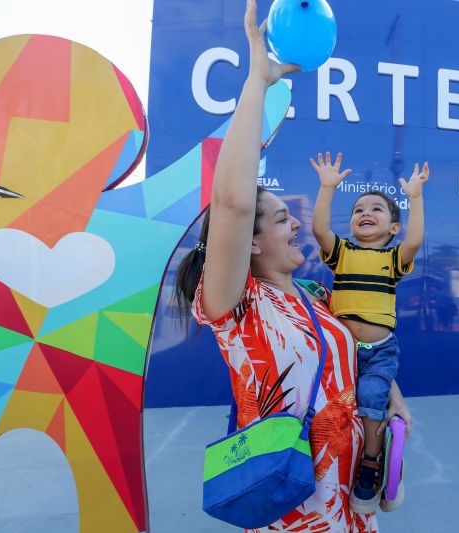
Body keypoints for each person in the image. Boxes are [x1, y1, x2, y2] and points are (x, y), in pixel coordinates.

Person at [174, 2, 410, 530]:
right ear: (251, 244)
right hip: (294, 505)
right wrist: (258, 81)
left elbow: (365, 355)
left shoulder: (316, 295)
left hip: (351, 500)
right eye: (282, 219)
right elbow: (232, 203)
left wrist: (394, 404)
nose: (296, 225)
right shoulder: (235, 304)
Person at [310, 153, 428, 512]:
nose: (366, 212)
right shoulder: (342, 252)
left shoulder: (394, 259)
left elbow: (415, 240)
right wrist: (327, 188)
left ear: (393, 228)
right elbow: (319, 230)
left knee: (373, 399)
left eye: (377, 209)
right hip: (341, 351)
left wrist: (415, 198)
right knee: (330, 409)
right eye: (359, 208)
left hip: (379, 351)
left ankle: (371, 467)